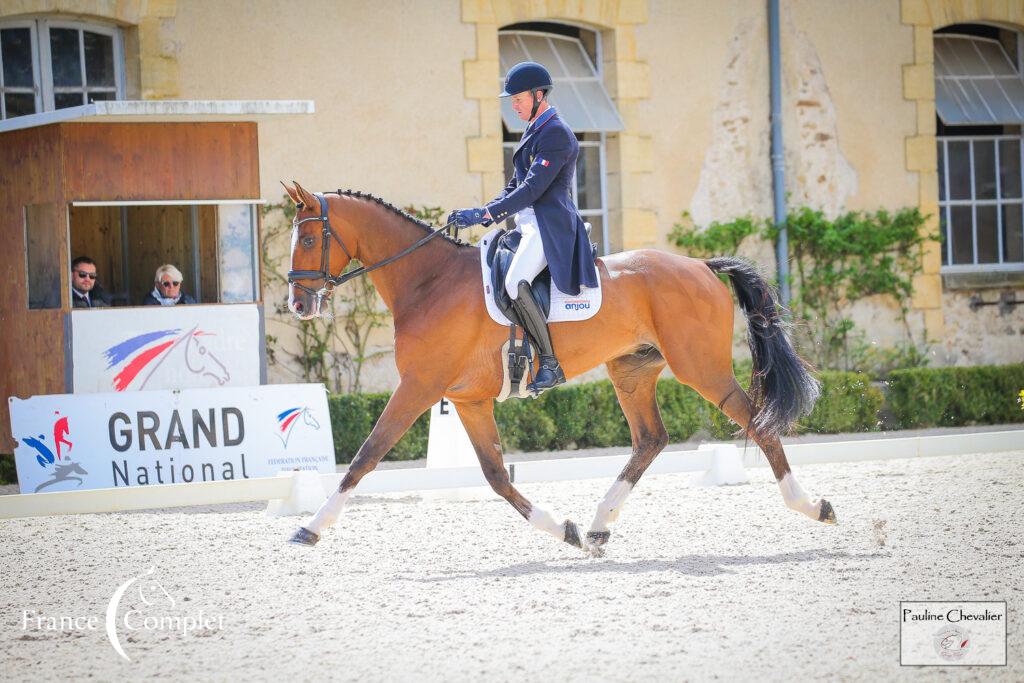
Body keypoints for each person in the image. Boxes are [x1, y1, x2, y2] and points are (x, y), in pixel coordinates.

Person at [448, 61, 599, 394]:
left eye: (518, 99)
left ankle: (549, 363)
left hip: (549, 226)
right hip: (527, 223)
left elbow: (532, 190)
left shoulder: (556, 133)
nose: (513, 105)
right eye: (511, 100)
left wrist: (483, 214)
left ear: (539, 95)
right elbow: (515, 186)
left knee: (516, 282)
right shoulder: (534, 130)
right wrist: (481, 213)